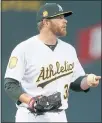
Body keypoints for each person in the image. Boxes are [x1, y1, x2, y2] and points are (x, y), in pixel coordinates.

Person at [4, 3, 101, 122]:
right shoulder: (24, 49)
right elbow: (10, 85)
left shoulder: (69, 49)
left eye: (64, 18)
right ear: (46, 22)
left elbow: (75, 82)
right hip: (31, 116)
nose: (65, 21)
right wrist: (31, 101)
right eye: (59, 18)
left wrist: (88, 81)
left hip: (60, 116)